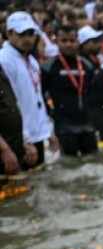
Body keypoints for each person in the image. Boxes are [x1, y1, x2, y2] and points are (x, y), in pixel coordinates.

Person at [0, 12, 58, 169]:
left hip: (37, 134)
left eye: (31, 34)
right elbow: (11, 105)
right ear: (8, 34)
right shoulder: (4, 61)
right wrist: (24, 140)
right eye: (22, 34)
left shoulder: (31, 60)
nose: (27, 39)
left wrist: (49, 132)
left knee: (38, 185)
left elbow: (36, 99)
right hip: (20, 139)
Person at [41, 25, 97, 157]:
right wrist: (51, 115)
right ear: (57, 42)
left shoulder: (87, 65)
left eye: (72, 41)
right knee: (69, 165)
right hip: (64, 128)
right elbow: (40, 97)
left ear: (78, 42)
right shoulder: (48, 67)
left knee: (94, 163)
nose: (68, 45)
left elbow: (95, 94)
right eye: (64, 41)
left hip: (88, 126)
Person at [0, 67, 27, 175]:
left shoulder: (2, 68)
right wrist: (4, 150)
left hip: (14, 146)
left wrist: (25, 141)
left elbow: (12, 106)